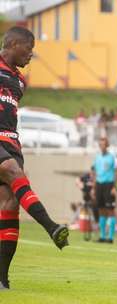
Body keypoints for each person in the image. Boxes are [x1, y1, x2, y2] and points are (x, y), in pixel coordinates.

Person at [0, 27, 69, 290]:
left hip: (11, 142)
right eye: (29, 48)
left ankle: (2, 279)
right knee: (13, 172)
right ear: (14, 43)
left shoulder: (20, 81)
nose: (31, 54)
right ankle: (51, 227)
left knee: (9, 207)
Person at [92, 137, 117, 243]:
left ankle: (110, 237)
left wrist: (114, 187)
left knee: (110, 210)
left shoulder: (112, 157)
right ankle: (102, 236)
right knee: (101, 210)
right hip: (99, 185)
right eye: (100, 144)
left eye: (103, 144)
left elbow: (116, 172)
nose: (101, 146)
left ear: (107, 146)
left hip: (109, 184)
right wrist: (94, 187)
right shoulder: (97, 158)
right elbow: (95, 172)